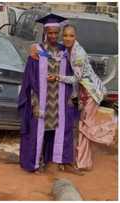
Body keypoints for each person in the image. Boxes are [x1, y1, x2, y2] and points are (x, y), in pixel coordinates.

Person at [30, 24, 115, 171]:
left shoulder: (78, 54)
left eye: (71, 36)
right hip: (84, 93)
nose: (68, 38)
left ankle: (106, 135)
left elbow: (76, 78)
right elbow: (50, 47)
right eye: (66, 35)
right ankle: (83, 160)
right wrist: (33, 47)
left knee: (83, 127)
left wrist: (57, 77)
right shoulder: (68, 48)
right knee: (83, 126)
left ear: (76, 37)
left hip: (91, 93)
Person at [18, 14, 79, 174]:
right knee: (38, 131)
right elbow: (29, 79)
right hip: (42, 100)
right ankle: (36, 162)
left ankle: (62, 161)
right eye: (49, 32)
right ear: (45, 32)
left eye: (55, 33)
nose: (53, 36)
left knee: (62, 131)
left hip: (59, 100)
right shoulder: (37, 52)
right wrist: (34, 100)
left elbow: (74, 74)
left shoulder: (64, 52)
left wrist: (71, 97)